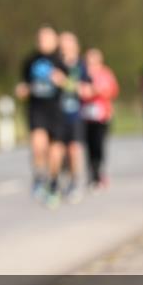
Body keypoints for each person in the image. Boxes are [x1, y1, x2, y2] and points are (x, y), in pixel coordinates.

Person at [15, 26, 66, 205]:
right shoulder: (30, 61)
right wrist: (22, 90)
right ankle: (39, 176)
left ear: (55, 40)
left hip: (57, 110)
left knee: (54, 151)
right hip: (37, 109)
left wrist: (63, 81)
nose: (43, 42)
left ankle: (53, 182)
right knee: (38, 144)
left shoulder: (62, 60)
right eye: (40, 38)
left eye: (47, 38)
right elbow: (23, 84)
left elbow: (75, 86)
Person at [50, 32, 91, 205]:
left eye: (69, 43)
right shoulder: (54, 64)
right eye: (62, 44)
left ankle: (75, 182)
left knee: (74, 149)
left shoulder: (81, 65)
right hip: (56, 115)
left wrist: (66, 83)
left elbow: (87, 90)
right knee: (57, 149)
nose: (65, 47)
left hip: (75, 114)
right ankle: (53, 184)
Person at [82, 48, 119, 190]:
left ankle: (99, 172)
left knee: (99, 145)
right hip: (85, 115)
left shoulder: (106, 73)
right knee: (88, 146)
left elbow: (113, 90)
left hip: (102, 115)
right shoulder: (82, 73)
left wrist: (98, 90)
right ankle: (92, 174)